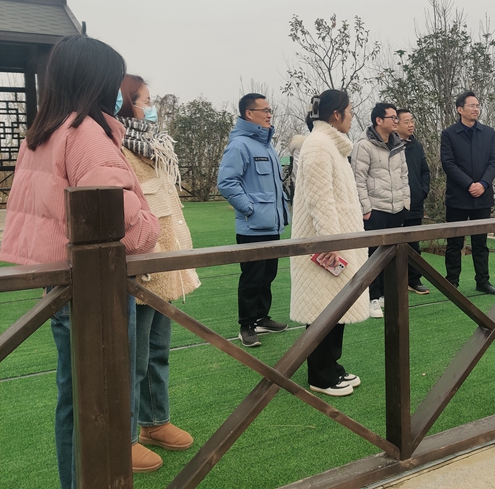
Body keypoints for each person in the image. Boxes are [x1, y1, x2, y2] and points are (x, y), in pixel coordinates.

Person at [0, 35, 160, 487]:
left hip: (60, 282)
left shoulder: (42, 132)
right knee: (106, 398)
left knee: (73, 399)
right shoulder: (87, 133)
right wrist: (151, 223)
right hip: (97, 288)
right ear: (97, 80)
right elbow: (122, 222)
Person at [116, 74, 200, 470]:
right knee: (133, 357)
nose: (151, 109)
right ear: (125, 103)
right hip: (139, 266)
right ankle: (125, 436)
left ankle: (155, 421)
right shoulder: (117, 147)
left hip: (165, 263)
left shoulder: (156, 146)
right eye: (145, 101)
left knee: (158, 349)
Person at [290, 90, 369, 397]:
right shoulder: (319, 145)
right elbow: (319, 198)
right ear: (336, 114)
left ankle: (332, 366)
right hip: (326, 245)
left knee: (335, 307)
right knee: (321, 309)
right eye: (349, 111)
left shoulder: (329, 145)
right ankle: (320, 376)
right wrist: (330, 241)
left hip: (337, 241)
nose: (351, 116)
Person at [217, 94, 289, 348]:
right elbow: (227, 183)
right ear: (249, 114)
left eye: (270, 110)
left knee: (268, 274)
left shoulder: (267, 145)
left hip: (271, 224)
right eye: (264, 110)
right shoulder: (240, 145)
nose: (269, 114)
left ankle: (261, 318)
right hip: (252, 227)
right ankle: (246, 325)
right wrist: (250, 209)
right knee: (252, 277)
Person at [351, 102, 410, 317]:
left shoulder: (398, 145)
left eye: (396, 118)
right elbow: (358, 179)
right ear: (378, 120)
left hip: (397, 208)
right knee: (373, 255)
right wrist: (366, 208)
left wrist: (406, 203)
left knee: (393, 255)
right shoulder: (363, 146)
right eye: (392, 118)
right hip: (375, 209)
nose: (396, 121)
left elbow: (404, 175)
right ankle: (372, 298)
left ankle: (386, 294)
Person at [440, 91, 495, 295]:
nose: (476, 109)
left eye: (477, 105)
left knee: (480, 243)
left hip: (482, 197)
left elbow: (494, 161)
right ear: (460, 109)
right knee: (454, 242)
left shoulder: (488, 133)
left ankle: (483, 281)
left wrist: (483, 184)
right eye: (471, 105)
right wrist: (469, 184)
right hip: (458, 198)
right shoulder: (449, 134)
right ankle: (452, 283)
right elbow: (448, 163)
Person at [396, 108, 431, 295]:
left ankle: (414, 280)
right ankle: (390, 283)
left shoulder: (416, 146)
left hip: (415, 202)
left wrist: (422, 191)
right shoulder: (390, 146)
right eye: (406, 122)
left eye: (412, 121)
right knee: (391, 244)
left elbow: (425, 171)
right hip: (394, 204)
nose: (411, 125)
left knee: (414, 244)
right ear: (396, 124)